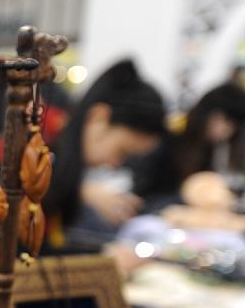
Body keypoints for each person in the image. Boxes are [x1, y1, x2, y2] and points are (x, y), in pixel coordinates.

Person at [44, 59, 166, 251]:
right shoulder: (32, 149)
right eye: (122, 152)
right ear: (99, 117)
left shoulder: (65, 169)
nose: (115, 164)